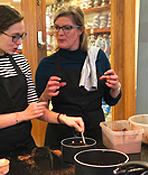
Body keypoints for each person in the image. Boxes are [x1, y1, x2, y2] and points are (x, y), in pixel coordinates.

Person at [0, 5, 84, 175]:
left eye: (22, 36)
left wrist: (64, 118)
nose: (19, 42)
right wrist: (22, 115)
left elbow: (35, 109)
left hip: (26, 148)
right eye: (14, 37)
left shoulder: (20, 61)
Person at [35, 5, 121, 150]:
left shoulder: (97, 58)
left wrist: (115, 87)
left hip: (94, 131)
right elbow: (37, 108)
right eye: (56, 27)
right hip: (61, 134)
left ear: (80, 30)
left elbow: (110, 100)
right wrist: (45, 95)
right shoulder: (47, 64)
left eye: (67, 28)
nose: (60, 33)